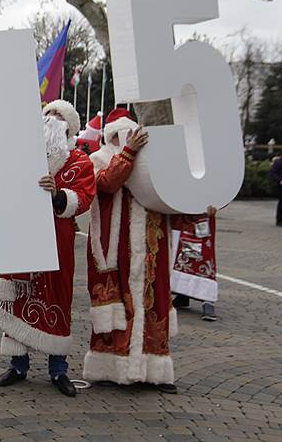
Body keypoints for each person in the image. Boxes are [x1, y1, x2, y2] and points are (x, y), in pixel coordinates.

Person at [0, 100, 95, 397]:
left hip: (56, 243)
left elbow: (84, 197)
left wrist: (58, 194)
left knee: (58, 299)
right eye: (47, 114)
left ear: (70, 126)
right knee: (19, 298)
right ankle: (18, 364)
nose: (51, 119)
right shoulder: (23, 156)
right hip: (22, 238)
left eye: (58, 115)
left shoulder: (79, 161)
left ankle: (58, 369)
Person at [83, 107, 179, 393]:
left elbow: (172, 197)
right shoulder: (99, 159)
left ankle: (155, 371)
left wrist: (201, 208)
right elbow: (106, 184)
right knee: (118, 305)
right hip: (116, 250)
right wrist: (128, 154)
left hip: (153, 244)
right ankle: (111, 367)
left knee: (155, 301)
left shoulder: (153, 163)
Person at [171, 206, 219, 322]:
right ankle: (182, 293)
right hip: (180, 212)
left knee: (203, 256)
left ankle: (208, 299)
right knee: (178, 256)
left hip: (203, 212)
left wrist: (218, 203)